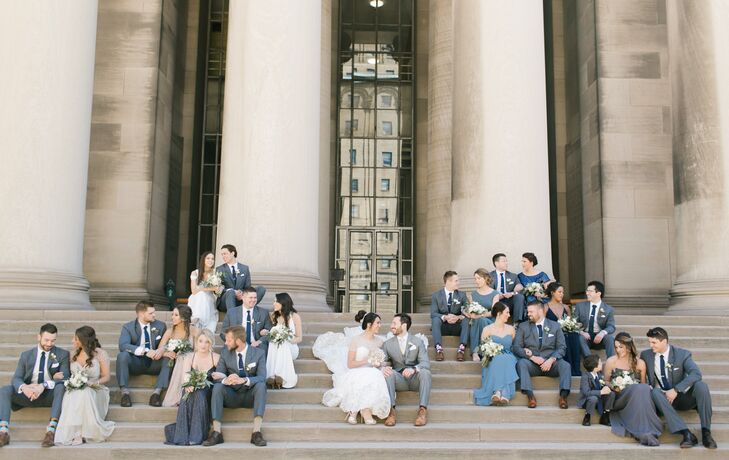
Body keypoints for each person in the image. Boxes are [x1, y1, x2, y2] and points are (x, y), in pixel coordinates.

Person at [641, 327, 717, 449]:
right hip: (661, 400)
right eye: (649, 342)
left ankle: (706, 432)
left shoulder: (682, 354)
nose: (651, 345)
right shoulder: (646, 355)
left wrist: (676, 390)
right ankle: (686, 433)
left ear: (664, 341)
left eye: (654, 342)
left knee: (701, 386)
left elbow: (696, 374)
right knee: (655, 392)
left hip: (681, 397)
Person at [0, 323, 70, 448]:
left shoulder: (62, 354)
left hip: (49, 396)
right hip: (28, 394)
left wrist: (43, 385)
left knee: (60, 387)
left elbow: (65, 378)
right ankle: (3, 432)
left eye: (53, 340)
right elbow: (16, 378)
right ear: (38, 337)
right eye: (46, 340)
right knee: (5, 390)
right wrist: (25, 388)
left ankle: (51, 431)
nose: (49, 344)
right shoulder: (26, 355)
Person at [204, 326, 268, 447]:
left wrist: (243, 380)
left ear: (238, 341)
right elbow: (218, 376)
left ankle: (256, 432)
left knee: (261, 385)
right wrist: (226, 380)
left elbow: (262, 377)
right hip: (231, 396)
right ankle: (217, 432)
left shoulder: (259, 353)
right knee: (218, 387)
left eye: (229, 340)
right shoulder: (225, 353)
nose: (226, 342)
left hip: (250, 396)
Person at [322, 313, 390, 425]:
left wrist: (380, 363)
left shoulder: (380, 341)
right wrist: (368, 361)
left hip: (372, 371)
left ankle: (358, 410)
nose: (380, 325)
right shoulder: (356, 340)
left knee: (374, 374)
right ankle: (363, 410)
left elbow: (383, 361)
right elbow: (350, 364)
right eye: (377, 323)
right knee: (365, 376)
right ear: (369, 324)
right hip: (356, 370)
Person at [54, 326, 115, 445]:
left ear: (84, 340)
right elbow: (66, 375)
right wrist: (58, 377)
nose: (73, 341)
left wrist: (93, 383)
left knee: (84, 392)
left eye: (76, 339)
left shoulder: (100, 354)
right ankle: (76, 432)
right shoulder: (73, 354)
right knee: (73, 393)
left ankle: (81, 433)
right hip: (77, 388)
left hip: (96, 389)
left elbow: (107, 377)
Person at [602, 332, 663, 446]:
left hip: (636, 398)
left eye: (621, 347)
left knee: (642, 389)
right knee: (640, 389)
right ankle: (642, 431)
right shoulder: (611, 361)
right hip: (620, 398)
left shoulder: (640, 363)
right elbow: (605, 381)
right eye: (616, 347)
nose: (618, 350)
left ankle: (648, 431)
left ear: (629, 347)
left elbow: (644, 385)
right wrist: (614, 386)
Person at [164, 330, 220, 446]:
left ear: (211, 344)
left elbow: (220, 376)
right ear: (196, 342)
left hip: (208, 392)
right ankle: (184, 433)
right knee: (187, 392)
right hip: (192, 388)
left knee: (199, 393)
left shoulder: (216, 357)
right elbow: (185, 376)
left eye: (206, 342)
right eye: (200, 341)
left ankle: (196, 436)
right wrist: (188, 384)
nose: (203, 345)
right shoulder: (190, 357)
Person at [512, 301, 571, 409]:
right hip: (532, 364)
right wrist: (531, 357)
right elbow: (516, 347)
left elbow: (562, 347)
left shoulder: (555, 326)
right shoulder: (523, 326)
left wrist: (551, 359)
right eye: (528, 311)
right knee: (521, 363)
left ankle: (563, 396)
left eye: (531, 311)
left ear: (540, 311)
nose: (528, 314)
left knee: (566, 365)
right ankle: (530, 396)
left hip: (551, 364)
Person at [116, 301, 172, 407]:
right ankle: (125, 393)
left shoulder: (160, 325)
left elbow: (168, 343)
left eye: (154, 312)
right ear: (141, 314)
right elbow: (123, 345)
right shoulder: (128, 327)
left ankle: (156, 393)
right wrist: (145, 351)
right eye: (151, 313)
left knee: (169, 359)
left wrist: (162, 350)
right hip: (136, 362)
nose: (154, 315)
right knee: (122, 356)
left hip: (155, 362)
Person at [381, 313, 431, 427]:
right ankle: (391, 411)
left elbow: (425, 363)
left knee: (425, 372)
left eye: (394, 323)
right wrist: (382, 367)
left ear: (403, 326)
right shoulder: (387, 344)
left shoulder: (418, 342)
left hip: (415, 380)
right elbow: (382, 362)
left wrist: (414, 369)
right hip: (399, 380)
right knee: (388, 373)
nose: (391, 326)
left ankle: (422, 411)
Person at [473, 302, 518, 407]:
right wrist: (477, 353)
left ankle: (498, 392)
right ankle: (502, 393)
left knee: (506, 358)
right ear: (498, 313)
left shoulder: (511, 329)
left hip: (508, 355)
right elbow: (482, 347)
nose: (509, 315)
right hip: (492, 356)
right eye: (507, 312)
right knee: (498, 359)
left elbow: (514, 346)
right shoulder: (487, 329)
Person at [161, 306, 200, 407]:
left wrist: (185, 353)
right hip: (172, 361)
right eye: (172, 314)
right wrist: (167, 353)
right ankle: (177, 396)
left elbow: (198, 351)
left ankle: (182, 396)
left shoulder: (195, 331)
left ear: (183, 318)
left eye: (176, 315)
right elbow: (160, 349)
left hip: (191, 362)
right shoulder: (170, 331)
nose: (172, 317)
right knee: (181, 358)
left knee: (184, 357)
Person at [430, 271, 469, 362]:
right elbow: (433, 313)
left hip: (457, 327)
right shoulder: (436, 295)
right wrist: (445, 317)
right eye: (456, 281)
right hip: (443, 327)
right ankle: (439, 349)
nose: (458, 283)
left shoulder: (462, 295)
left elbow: (467, 311)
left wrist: (458, 317)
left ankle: (461, 349)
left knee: (466, 319)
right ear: (448, 281)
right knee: (435, 319)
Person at [266, 293, 303, 389]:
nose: (273, 304)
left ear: (283, 303)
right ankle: (275, 376)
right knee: (273, 339)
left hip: (291, 348)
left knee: (283, 344)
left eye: (275, 301)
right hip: (276, 349)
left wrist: (286, 340)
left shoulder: (295, 317)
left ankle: (277, 376)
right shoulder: (274, 316)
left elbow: (299, 338)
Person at [220, 287, 273, 353]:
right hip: (236, 344)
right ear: (243, 298)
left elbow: (270, 332)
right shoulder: (232, 312)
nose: (253, 300)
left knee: (262, 348)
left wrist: (259, 341)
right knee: (227, 349)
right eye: (250, 298)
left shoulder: (263, 313)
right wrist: (233, 341)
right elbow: (223, 332)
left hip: (256, 344)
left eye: (255, 297)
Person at [545, 282, 581, 376]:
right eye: (559, 292)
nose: (562, 294)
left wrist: (571, 326)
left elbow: (571, 322)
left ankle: (576, 369)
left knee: (574, 335)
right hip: (552, 335)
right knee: (565, 337)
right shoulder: (545, 307)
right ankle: (568, 368)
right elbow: (543, 325)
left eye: (563, 292)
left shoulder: (566, 307)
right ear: (552, 293)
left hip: (567, 334)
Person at [573, 281, 616, 358]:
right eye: (587, 291)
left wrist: (602, 333)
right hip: (586, 337)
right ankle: (591, 363)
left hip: (600, 338)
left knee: (609, 338)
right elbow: (573, 323)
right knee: (580, 338)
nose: (587, 293)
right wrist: (581, 332)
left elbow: (611, 326)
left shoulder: (608, 309)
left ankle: (611, 363)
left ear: (598, 293)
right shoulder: (580, 306)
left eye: (590, 291)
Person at [467, 269, 499, 362]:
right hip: (476, 321)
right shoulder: (473, 294)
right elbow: (471, 309)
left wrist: (479, 316)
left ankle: (478, 351)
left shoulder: (495, 293)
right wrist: (472, 314)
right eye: (475, 279)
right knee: (477, 321)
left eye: (479, 278)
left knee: (481, 320)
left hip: (490, 321)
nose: (476, 281)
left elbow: (494, 312)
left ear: (485, 278)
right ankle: (475, 352)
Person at [489, 253, 526, 324]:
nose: (507, 263)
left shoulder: (513, 276)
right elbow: (488, 291)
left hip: (510, 301)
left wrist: (513, 292)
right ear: (496, 263)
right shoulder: (489, 276)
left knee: (519, 297)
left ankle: (517, 323)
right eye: (504, 261)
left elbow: (520, 288)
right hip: (496, 301)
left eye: (507, 261)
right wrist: (499, 296)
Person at [188, 251, 220, 333]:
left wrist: (204, 289)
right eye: (208, 258)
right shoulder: (195, 272)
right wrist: (209, 288)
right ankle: (197, 319)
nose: (211, 260)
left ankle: (198, 320)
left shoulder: (215, 273)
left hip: (210, 298)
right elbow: (194, 291)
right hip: (196, 298)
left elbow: (217, 289)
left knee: (203, 295)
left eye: (212, 259)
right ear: (203, 260)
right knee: (201, 295)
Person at [215, 244, 252, 313]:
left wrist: (242, 294)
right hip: (225, 301)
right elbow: (218, 288)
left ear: (232, 253)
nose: (223, 256)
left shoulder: (244, 268)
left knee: (260, 289)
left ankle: (247, 310)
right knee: (231, 292)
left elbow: (248, 287)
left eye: (225, 254)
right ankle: (233, 319)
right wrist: (233, 292)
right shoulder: (219, 269)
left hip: (241, 299)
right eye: (222, 254)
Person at [577, 354, 611, 427]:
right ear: (595, 367)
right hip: (587, 400)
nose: (602, 363)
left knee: (611, 394)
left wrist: (606, 388)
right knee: (593, 398)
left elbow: (602, 385)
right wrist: (600, 392)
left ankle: (605, 415)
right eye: (600, 363)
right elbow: (586, 392)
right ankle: (587, 416)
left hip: (599, 398)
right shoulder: (585, 376)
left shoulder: (599, 374)